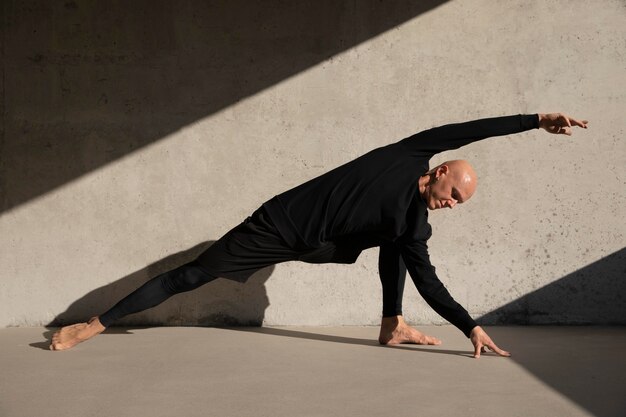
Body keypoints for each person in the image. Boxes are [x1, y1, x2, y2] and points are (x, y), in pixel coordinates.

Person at [50, 112, 588, 358]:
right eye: (454, 194)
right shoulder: (411, 152)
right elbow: (472, 129)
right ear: (442, 169)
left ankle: (390, 324)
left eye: (459, 205)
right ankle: (96, 324)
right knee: (191, 274)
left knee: (401, 243)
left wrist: (469, 325)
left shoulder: (414, 224)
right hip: (280, 223)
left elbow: (432, 284)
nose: (452, 205)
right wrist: (535, 120)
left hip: (320, 244)